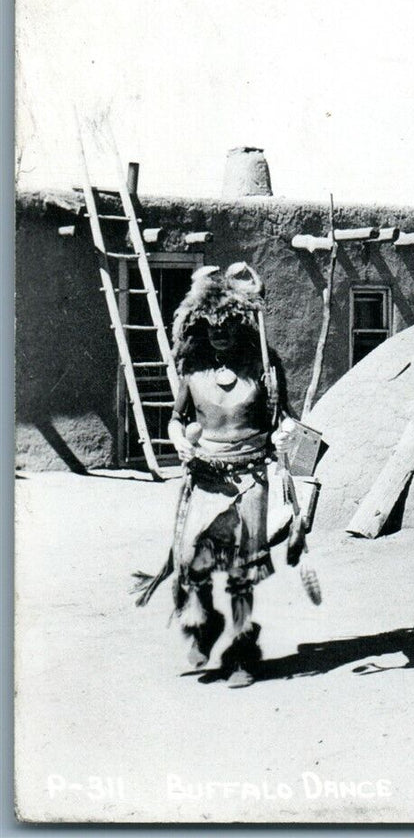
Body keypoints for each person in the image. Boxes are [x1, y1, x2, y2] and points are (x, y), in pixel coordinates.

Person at [134, 263, 297, 689]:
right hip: (206, 477)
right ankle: (205, 626)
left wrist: (283, 433)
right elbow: (177, 419)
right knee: (192, 561)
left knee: (243, 571)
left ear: (240, 324)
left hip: (249, 479)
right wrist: (179, 439)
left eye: (227, 323)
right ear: (201, 325)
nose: (219, 332)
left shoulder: (262, 367)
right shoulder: (193, 372)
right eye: (211, 324)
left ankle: (243, 648)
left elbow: (285, 419)